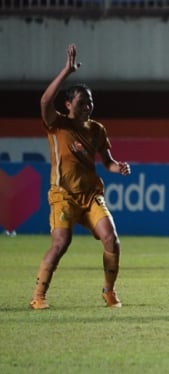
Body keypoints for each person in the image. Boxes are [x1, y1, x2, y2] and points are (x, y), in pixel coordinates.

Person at [30, 44, 131, 309]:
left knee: (112, 239)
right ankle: (38, 296)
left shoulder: (97, 129)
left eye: (90, 102)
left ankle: (109, 291)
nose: (88, 106)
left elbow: (107, 163)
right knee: (61, 242)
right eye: (81, 102)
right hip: (63, 196)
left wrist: (117, 166)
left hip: (90, 195)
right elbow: (43, 101)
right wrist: (66, 71)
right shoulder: (57, 124)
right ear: (68, 104)